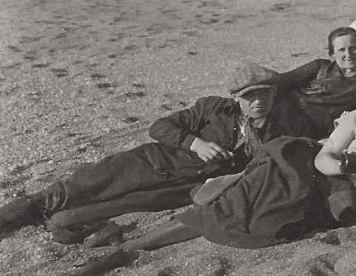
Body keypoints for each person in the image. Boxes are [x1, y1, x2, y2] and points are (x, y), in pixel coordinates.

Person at [71, 61, 356, 274]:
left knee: (259, 213)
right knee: (241, 197)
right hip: (326, 177)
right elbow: (324, 157)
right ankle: (128, 249)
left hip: (346, 201)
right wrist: (345, 163)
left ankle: (126, 246)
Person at [0, 64, 317, 243]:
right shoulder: (212, 108)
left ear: (274, 94)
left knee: (127, 202)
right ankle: (17, 213)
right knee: (86, 183)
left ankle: (71, 224)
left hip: (187, 188)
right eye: (249, 96)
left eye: (264, 94)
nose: (257, 102)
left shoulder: (286, 127)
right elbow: (160, 126)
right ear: (236, 97)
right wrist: (197, 143)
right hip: (157, 161)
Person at [274, 27, 356, 137]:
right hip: (289, 117)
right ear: (332, 53)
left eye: (353, 48)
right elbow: (282, 80)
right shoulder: (320, 67)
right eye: (342, 50)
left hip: (321, 132)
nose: (348, 54)